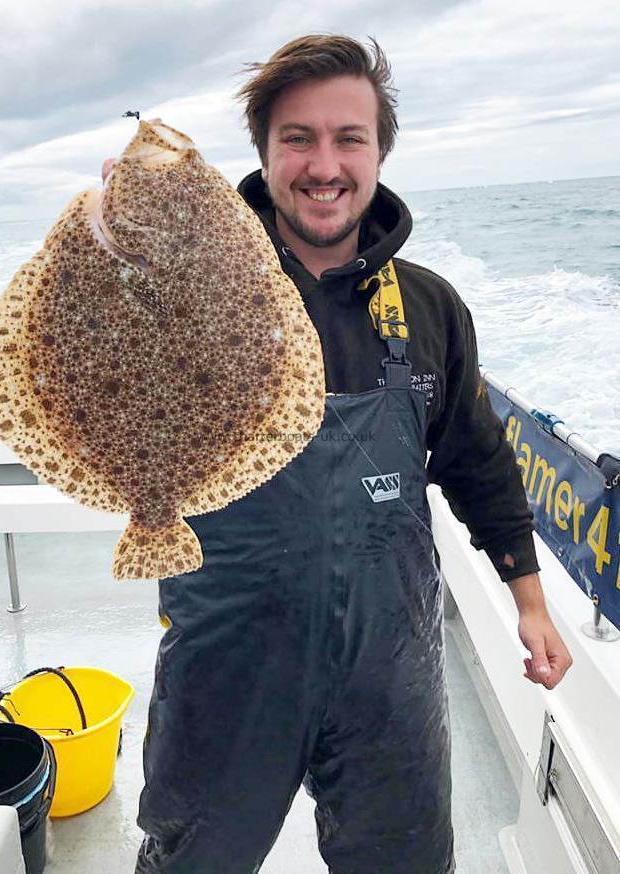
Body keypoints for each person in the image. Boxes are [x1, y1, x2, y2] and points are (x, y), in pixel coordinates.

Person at [120, 34, 573, 874]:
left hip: (386, 667)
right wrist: (124, 250)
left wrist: (531, 604)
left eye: (347, 138)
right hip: (227, 665)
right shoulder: (177, 293)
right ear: (262, 153)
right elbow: (97, 376)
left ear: (379, 151)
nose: (322, 165)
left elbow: (477, 460)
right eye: (297, 138)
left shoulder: (430, 307)